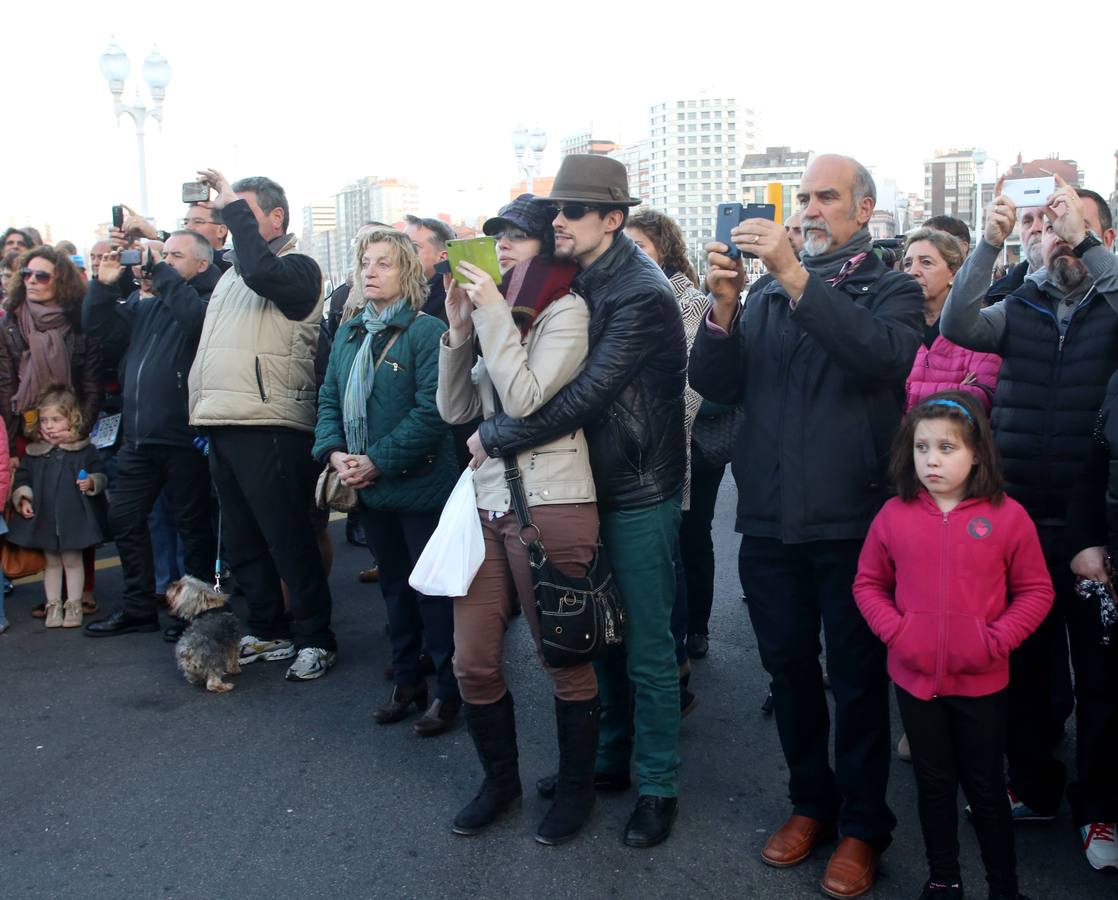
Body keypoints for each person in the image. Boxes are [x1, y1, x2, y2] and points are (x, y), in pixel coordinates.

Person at [691, 154, 922, 897]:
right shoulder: (762, 298)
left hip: (853, 518)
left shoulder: (891, 287)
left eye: (827, 197)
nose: (811, 208)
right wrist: (724, 307)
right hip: (769, 519)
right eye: (805, 197)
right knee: (788, 671)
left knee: (855, 682)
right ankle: (810, 805)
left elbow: (880, 357)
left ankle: (862, 826)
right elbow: (715, 386)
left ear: (864, 209)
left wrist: (795, 276)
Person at [474, 155, 687, 849]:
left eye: (569, 212)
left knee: (649, 647)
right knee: (600, 635)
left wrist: (494, 436)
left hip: (635, 485)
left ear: (613, 219)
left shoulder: (639, 290)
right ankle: (608, 759)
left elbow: (581, 398)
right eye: (556, 211)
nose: (555, 222)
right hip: (585, 487)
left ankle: (656, 784)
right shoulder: (581, 276)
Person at [940, 179, 1118, 866]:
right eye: (1044, 228)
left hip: (1095, 520)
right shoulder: (1021, 306)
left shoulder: (1108, 305)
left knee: (1101, 676)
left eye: (1068, 226)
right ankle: (1037, 786)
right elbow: (958, 323)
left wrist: (1082, 236)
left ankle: (1100, 809)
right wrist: (989, 245)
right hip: (1018, 516)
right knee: (1026, 664)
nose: (1055, 237)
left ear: (1100, 240)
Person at [438, 197, 600, 843]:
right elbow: (456, 411)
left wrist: (496, 317)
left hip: (553, 499)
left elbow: (526, 399)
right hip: (483, 502)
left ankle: (577, 788)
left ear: (549, 247)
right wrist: (458, 329)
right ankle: (499, 782)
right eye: (497, 237)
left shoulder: (567, 312)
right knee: (471, 660)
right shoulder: (493, 313)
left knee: (562, 655)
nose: (502, 248)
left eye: (518, 238)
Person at [854, 391, 1052, 900]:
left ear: (977, 453)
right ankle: (944, 880)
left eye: (947, 447)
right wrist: (898, 633)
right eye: (922, 448)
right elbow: (868, 584)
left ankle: (1003, 888)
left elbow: (1035, 590)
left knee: (986, 791)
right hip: (916, 683)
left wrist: (996, 640)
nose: (932, 460)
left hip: (982, 682)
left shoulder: (1008, 517)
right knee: (933, 787)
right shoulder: (893, 516)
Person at [188, 168, 337, 683]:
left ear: (276, 218)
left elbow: (262, 272)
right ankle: (268, 626)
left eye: (244, 213)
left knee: (288, 537)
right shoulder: (232, 273)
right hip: (225, 420)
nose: (233, 224)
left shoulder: (298, 268)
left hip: (270, 419)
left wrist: (232, 208)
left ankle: (316, 636)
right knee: (244, 543)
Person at [314, 227, 459, 732]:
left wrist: (374, 459)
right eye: (366, 264)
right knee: (395, 589)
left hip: (416, 484)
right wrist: (335, 454)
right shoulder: (351, 331)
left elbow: (433, 413)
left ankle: (448, 689)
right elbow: (329, 398)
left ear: (409, 273)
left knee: (432, 593)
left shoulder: (426, 331)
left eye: (384, 264)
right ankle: (406, 680)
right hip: (369, 485)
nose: (371, 272)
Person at [83, 231, 218, 640]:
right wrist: (103, 286)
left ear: (200, 265)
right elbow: (97, 328)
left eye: (176, 256)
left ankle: (194, 614)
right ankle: (139, 606)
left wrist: (159, 268)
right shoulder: (148, 306)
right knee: (124, 518)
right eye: (164, 255)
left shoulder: (204, 301)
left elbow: (193, 318)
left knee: (192, 527)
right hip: (139, 440)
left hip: (181, 438)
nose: (165, 262)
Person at [625, 210, 705, 704]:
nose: (632, 255)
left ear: (665, 251)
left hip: (664, 451)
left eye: (642, 246)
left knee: (668, 559)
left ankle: (675, 666)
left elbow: (691, 389)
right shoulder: (615, 295)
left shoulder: (688, 301)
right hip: (619, 456)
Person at [0, 245, 103, 620]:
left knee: (78, 506)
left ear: (60, 279)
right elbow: (5, 383)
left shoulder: (80, 321)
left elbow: (91, 385)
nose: (31, 281)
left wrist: (78, 429)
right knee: (40, 506)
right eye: (26, 274)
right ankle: (52, 592)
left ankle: (83, 589)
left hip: (71, 423)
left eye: (41, 275)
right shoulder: (12, 321)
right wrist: (13, 441)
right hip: (29, 424)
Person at [1064, 376, 1118, 872]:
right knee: (1101, 692)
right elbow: (1093, 465)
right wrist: (1084, 540)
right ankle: (1099, 807)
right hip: (1111, 568)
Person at [8, 384, 109, 630]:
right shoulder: (35, 453)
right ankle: (53, 604)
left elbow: (101, 473)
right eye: (44, 420)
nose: (49, 425)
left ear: (72, 419)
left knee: (73, 561)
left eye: (56, 419)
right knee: (51, 563)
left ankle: (73, 603)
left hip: (73, 518)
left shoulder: (83, 451)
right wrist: (24, 497)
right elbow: (23, 479)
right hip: (44, 518)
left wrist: (92, 482)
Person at [903, 228, 1000, 413]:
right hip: (906, 442)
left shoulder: (978, 328)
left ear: (954, 274)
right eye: (908, 263)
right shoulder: (897, 329)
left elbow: (982, 398)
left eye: (926, 262)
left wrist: (907, 391)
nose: (913, 271)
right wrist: (955, 391)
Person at [403, 214, 456, 324]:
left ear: (443, 257)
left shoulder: (457, 299)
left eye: (412, 247)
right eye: (400, 246)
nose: (402, 253)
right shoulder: (392, 293)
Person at [183, 203, 230, 271]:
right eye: (185, 223)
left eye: (198, 222)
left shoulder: (232, 263)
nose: (188, 227)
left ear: (221, 231)